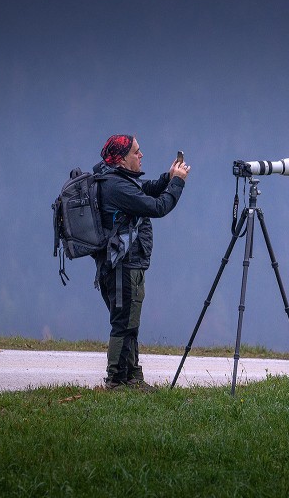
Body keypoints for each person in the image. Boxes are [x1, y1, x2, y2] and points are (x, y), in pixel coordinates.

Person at [95, 134, 190, 391]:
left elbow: (144, 190)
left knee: (130, 322)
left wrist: (168, 178)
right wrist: (178, 184)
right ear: (123, 160)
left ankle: (133, 377)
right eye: (136, 152)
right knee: (123, 322)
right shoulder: (117, 186)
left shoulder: (116, 180)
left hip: (127, 264)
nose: (141, 155)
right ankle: (116, 380)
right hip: (123, 266)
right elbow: (157, 207)